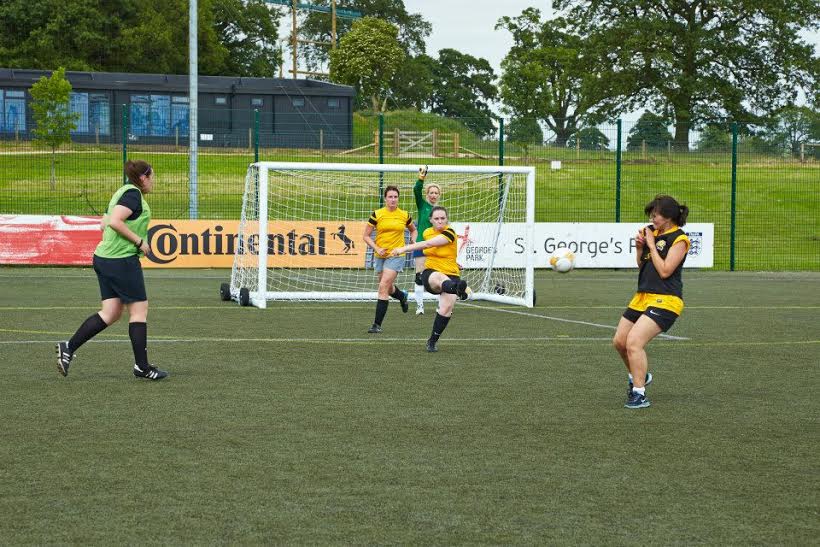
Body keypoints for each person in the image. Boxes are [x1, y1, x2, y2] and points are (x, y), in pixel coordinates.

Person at [56, 160, 168, 380]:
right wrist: (139, 242)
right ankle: (142, 367)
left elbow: (104, 222)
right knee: (139, 310)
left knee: (111, 312)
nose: (153, 181)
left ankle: (68, 347)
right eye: (152, 177)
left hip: (105, 259)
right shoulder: (133, 194)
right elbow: (115, 221)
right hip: (120, 260)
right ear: (143, 178)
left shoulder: (121, 192)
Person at [613, 194, 690, 408]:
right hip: (642, 296)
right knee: (620, 341)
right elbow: (643, 265)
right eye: (651, 215)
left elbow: (665, 271)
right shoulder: (652, 233)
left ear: (668, 217)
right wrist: (640, 248)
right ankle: (640, 374)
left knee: (634, 342)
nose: (651, 219)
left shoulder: (680, 239)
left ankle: (639, 393)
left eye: (655, 215)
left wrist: (652, 245)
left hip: (666, 299)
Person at [390, 206, 471, 352]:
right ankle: (457, 288)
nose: (440, 221)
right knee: (438, 278)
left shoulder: (450, 232)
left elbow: (429, 244)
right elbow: (430, 247)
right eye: (436, 218)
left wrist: (403, 249)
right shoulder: (427, 232)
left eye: (443, 218)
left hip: (452, 274)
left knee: (446, 309)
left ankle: (432, 341)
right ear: (431, 220)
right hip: (431, 273)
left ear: (447, 219)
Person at [363, 185, 416, 333]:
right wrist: (377, 248)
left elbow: (413, 230)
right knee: (387, 286)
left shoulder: (404, 215)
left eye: (395, 197)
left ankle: (376, 325)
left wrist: (413, 240)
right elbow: (366, 236)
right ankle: (402, 296)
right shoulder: (377, 214)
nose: (393, 199)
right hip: (380, 255)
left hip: (396, 255)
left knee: (382, 287)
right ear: (385, 198)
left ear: (398, 199)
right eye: (390, 197)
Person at [412, 165, 442, 315]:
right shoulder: (422, 205)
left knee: (440, 277)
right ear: (427, 194)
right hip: (421, 245)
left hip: (436, 247)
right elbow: (416, 190)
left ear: (439, 195)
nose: (433, 195)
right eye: (431, 192)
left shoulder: (440, 212)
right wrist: (421, 178)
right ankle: (420, 307)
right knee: (420, 276)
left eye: (436, 193)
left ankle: (441, 306)